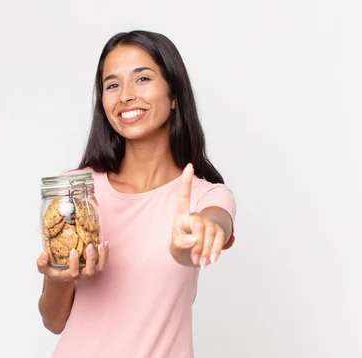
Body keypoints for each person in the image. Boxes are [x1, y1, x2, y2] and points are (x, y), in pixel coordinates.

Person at [36, 30, 237, 357]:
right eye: (112, 85)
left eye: (142, 79)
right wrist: (59, 276)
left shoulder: (203, 196)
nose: (126, 95)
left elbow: (216, 220)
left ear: (174, 95)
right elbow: (54, 320)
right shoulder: (77, 191)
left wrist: (202, 230)